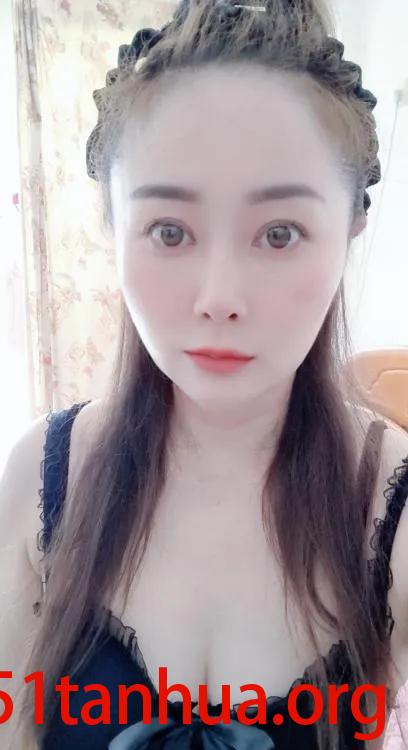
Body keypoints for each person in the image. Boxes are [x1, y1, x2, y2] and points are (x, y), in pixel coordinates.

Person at [1, 0, 408, 748]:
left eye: (279, 233)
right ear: (111, 225)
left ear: (352, 226)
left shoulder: (392, 509)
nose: (219, 297)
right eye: (169, 231)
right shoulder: (40, 477)